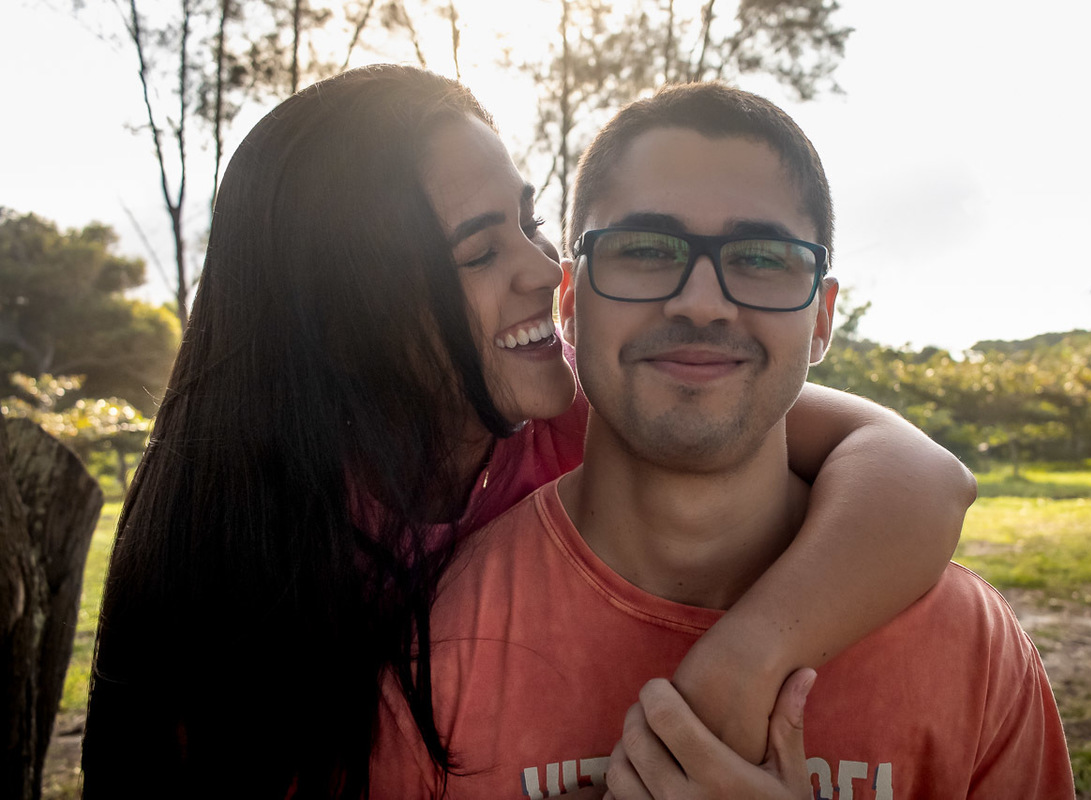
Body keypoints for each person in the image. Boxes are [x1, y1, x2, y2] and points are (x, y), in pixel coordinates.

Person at [81, 65, 974, 799]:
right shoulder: (246, 553)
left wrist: (739, 666)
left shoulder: (583, 418)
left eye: (531, 221)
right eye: (479, 252)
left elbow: (918, 474)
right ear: (352, 316)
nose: (545, 268)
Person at [370, 81, 1074, 798]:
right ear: (570, 301)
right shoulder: (431, 651)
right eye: (644, 249)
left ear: (822, 317)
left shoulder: (968, 648)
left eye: (762, 259)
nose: (702, 303)